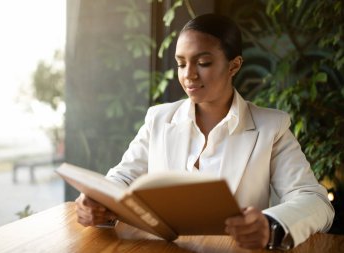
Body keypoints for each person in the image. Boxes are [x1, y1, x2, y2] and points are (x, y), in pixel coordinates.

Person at [75, 13, 334, 250]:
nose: (189, 75)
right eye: (180, 63)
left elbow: (315, 201)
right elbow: (122, 178)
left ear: (234, 66)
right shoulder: (159, 119)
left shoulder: (271, 128)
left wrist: (270, 225)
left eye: (203, 62)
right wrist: (98, 204)